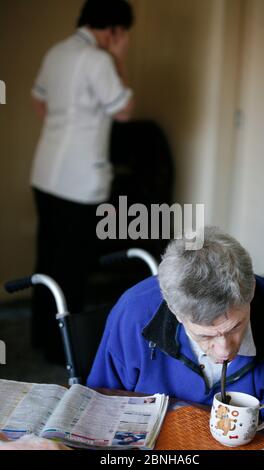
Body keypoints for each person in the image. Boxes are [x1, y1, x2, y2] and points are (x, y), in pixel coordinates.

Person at [87, 226, 264, 433]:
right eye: (205, 335)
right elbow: (100, 407)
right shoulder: (132, 314)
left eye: (235, 326)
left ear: (251, 289)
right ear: (173, 309)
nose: (224, 351)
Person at [30, 0, 134, 363]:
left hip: (45, 173)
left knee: (47, 259)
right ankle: (65, 351)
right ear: (115, 31)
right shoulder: (99, 59)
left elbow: (38, 102)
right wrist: (119, 58)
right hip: (79, 181)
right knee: (72, 268)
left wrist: (66, 127)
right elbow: (124, 110)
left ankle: (40, 337)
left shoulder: (57, 51)